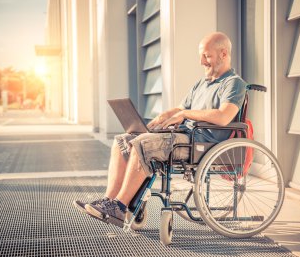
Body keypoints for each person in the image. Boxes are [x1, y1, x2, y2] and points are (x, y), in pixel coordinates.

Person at [73, 32, 247, 227]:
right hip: (183, 136)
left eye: (207, 56)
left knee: (142, 144)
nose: (201, 62)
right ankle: (108, 201)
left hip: (200, 142)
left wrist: (186, 115)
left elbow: (223, 116)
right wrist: (165, 116)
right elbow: (181, 108)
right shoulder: (202, 84)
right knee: (123, 140)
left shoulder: (234, 83)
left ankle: (120, 207)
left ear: (223, 54)